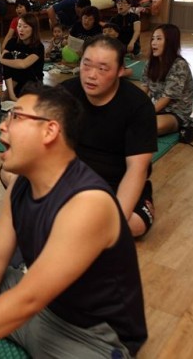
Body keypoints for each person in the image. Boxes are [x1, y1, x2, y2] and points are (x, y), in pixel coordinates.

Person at [0, 84, 147, 358]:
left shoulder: (88, 203)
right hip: (37, 306)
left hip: (88, 339)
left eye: (16, 116)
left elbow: (30, 298)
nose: (2, 126)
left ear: (49, 131)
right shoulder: (21, 184)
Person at [60, 36, 158, 238]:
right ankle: (79, 217)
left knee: (135, 224)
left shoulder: (138, 106)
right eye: (86, 65)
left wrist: (115, 222)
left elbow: (137, 169)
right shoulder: (64, 93)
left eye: (102, 69)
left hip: (115, 183)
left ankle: (73, 217)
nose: (91, 75)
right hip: (71, 177)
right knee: (10, 174)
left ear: (121, 71)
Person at [141, 24, 193, 135]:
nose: (153, 43)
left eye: (159, 39)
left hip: (176, 113)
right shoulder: (151, 63)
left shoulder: (179, 65)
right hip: (157, 109)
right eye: (153, 39)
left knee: (149, 126)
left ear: (170, 42)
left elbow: (166, 99)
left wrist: (144, 114)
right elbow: (144, 88)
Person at [0, 13, 45, 101]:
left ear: (33, 29)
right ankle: (11, 93)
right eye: (19, 26)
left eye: (25, 27)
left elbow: (23, 64)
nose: (21, 29)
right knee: (7, 56)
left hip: (32, 82)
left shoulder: (38, 47)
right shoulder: (12, 42)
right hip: (14, 82)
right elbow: (5, 63)